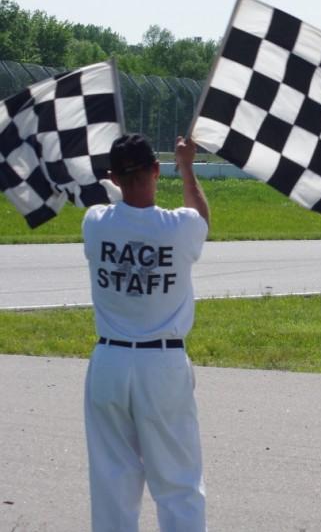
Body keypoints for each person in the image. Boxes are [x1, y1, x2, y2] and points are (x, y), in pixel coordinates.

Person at [81, 134, 210, 532]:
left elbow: (109, 201)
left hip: (110, 359)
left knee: (112, 481)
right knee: (178, 481)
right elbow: (201, 215)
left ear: (114, 178)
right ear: (157, 170)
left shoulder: (95, 223)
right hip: (162, 360)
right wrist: (186, 166)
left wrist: (116, 177)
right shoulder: (180, 227)